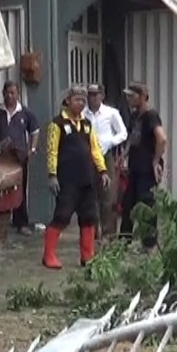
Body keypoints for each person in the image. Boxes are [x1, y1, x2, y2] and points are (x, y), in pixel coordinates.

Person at [42, 86, 109, 271]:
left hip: (87, 179)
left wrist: (102, 171)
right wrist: (52, 175)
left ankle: (87, 256)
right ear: (67, 101)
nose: (80, 102)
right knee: (62, 216)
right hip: (67, 179)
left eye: (82, 99)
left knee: (89, 218)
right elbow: (52, 151)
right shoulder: (57, 124)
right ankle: (49, 255)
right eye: (76, 99)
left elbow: (95, 150)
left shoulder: (87, 124)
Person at [0, 81, 40, 236]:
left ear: (17, 94)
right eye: (7, 93)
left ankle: (21, 223)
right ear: (3, 93)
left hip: (19, 158)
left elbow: (35, 131)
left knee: (20, 189)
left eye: (13, 93)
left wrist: (32, 149)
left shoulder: (25, 113)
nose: (10, 96)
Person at [120, 82, 168, 248]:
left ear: (142, 97)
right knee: (128, 206)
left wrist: (155, 160)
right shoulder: (134, 116)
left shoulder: (150, 115)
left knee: (146, 206)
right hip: (134, 167)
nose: (129, 99)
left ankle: (149, 245)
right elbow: (133, 138)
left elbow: (162, 139)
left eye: (132, 96)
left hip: (147, 170)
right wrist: (124, 155)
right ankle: (123, 242)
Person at [83, 84, 130, 237]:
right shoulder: (83, 114)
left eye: (95, 94)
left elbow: (123, 133)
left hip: (106, 155)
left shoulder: (111, 113)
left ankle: (108, 232)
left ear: (102, 96)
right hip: (88, 156)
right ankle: (92, 231)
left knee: (108, 195)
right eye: (90, 95)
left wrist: (110, 141)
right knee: (90, 195)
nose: (92, 98)